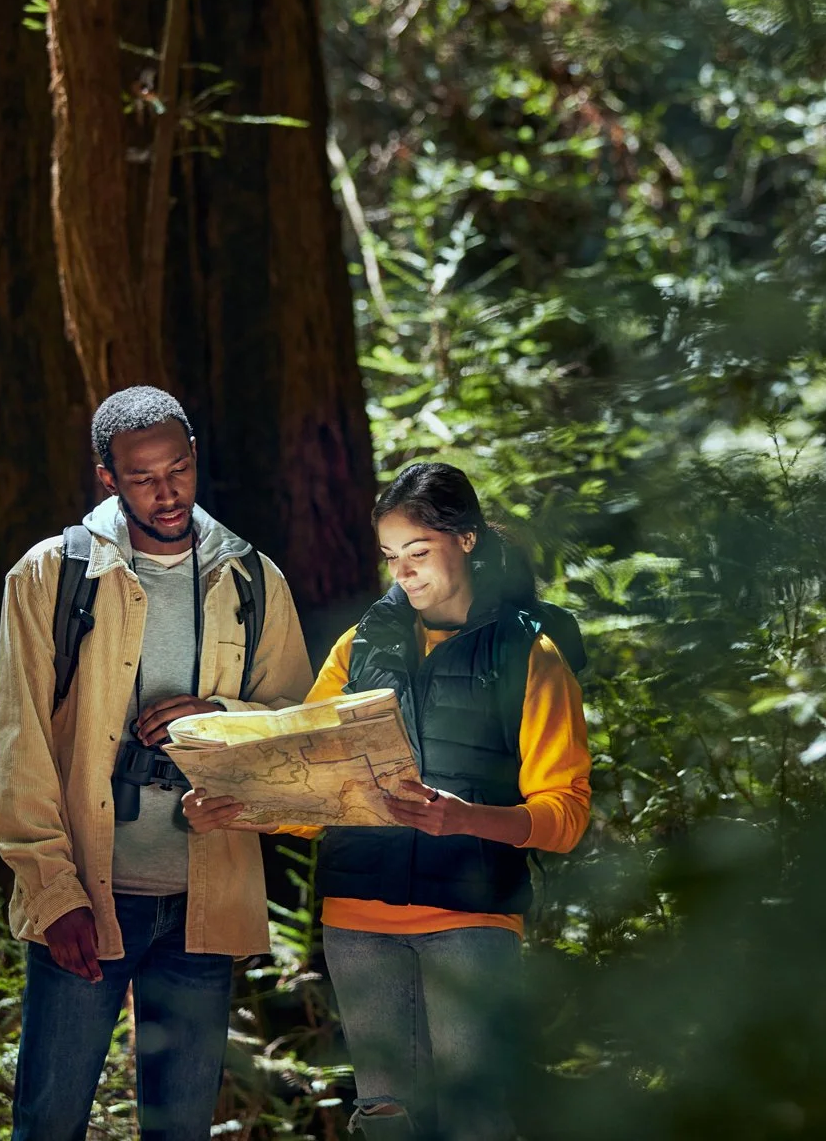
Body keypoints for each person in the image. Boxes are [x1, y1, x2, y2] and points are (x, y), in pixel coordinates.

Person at [185, 462, 592, 1141]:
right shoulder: (359, 645)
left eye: (418, 552)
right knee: (385, 1121)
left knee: (475, 1118)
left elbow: (566, 814)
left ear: (464, 540)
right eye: (391, 557)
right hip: (357, 921)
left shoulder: (532, 654)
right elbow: (309, 782)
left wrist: (463, 818)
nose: (402, 573)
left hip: (471, 917)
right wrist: (239, 803)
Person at [0, 386, 315, 1141]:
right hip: (88, 902)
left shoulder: (253, 581)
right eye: (143, 477)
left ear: (195, 458)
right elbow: (21, 743)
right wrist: (51, 890)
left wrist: (220, 720)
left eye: (178, 469)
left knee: (180, 1129)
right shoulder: (49, 576)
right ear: (107, 476)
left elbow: (299, 736)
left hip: (204, 904)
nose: (166, 493)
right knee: (49, 1121)